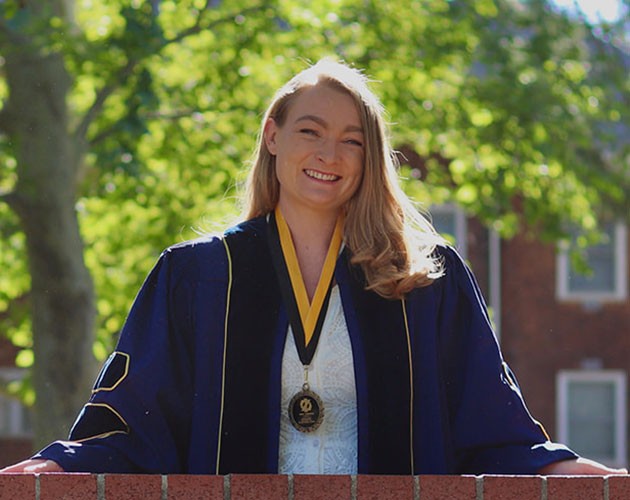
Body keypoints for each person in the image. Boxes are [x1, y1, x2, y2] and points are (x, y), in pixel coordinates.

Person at [1, 59, 626, 476]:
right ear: (272, 137)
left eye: (353, 140)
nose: (330, 154)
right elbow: (137, 417)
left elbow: (487, 414)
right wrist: (64, 463)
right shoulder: (198, 277)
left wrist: (558, 467)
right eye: (310, 131)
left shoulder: (422, 281)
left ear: (371, 156)